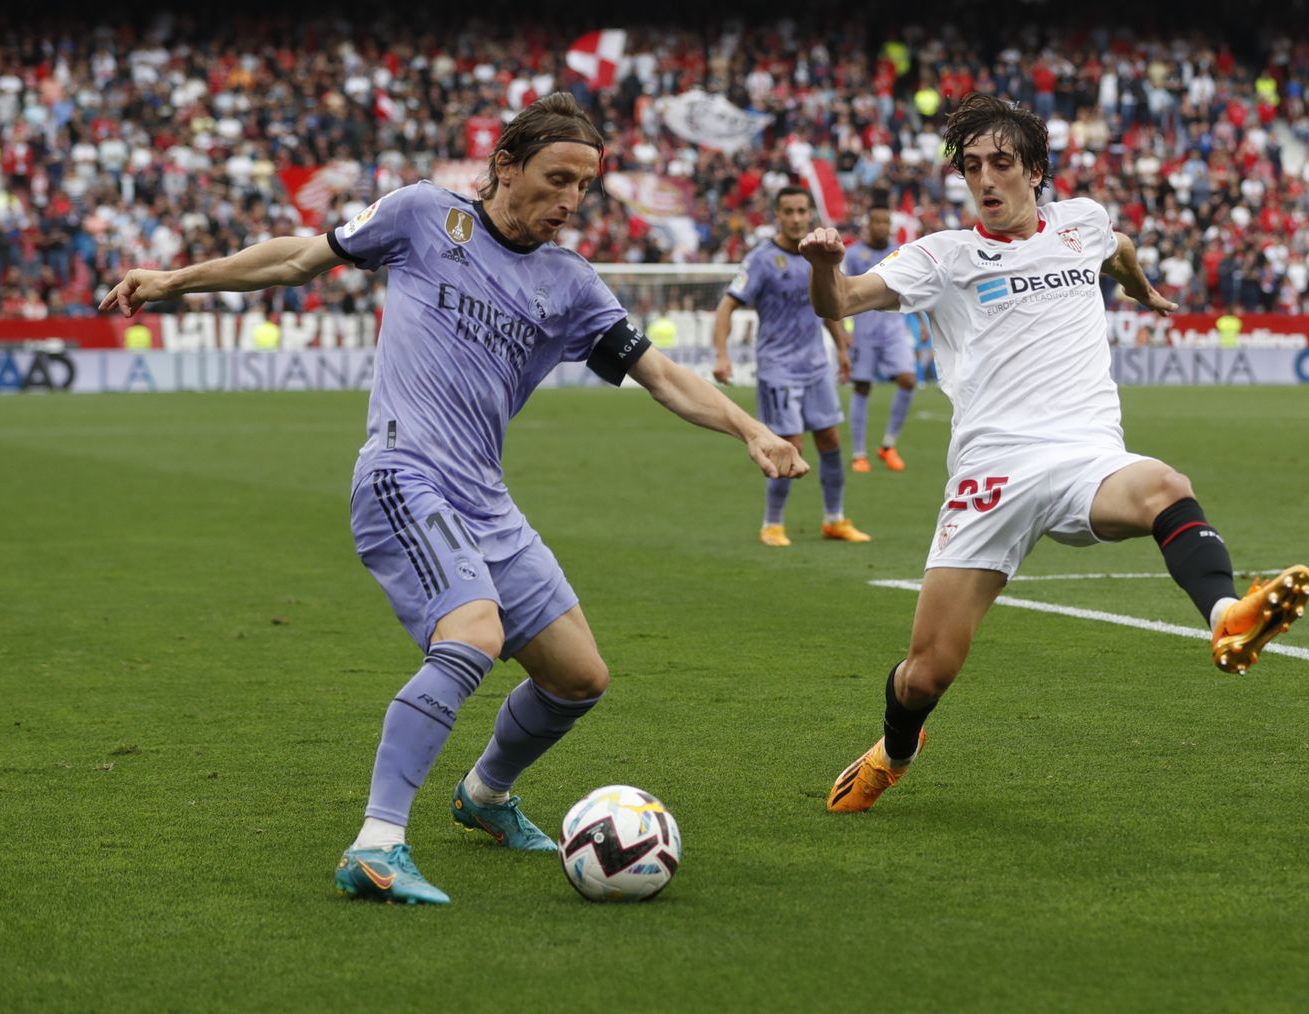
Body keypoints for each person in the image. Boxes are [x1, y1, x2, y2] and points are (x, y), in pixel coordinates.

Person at [99, 93, 808, 903]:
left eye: (585, 185)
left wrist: (749, 429)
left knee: (578, 677)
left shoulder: (573, 284)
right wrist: (172, 281)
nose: (572, 201)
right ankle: (376, 843)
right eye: (557, 178)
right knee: (472, 632)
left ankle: (483, 797)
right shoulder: (422, 217)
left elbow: (663, 375)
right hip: (404, 473)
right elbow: (298, 259)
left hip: (485, 499)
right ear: (506, 165)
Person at [798, 94, 1309, 814]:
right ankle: (894, 751)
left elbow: (1117, 250)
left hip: (1085, 456)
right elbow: (842, 301)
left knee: (1165, 484)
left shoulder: (1082, 222)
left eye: (1001, 164)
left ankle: (1227, 614)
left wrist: (1143, 291)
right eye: (972, 167)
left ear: (1035, 170)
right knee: (927, 673)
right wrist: (824, 266)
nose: (985, 180)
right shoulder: (943, 257)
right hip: (992, 472)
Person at [712, 186, 871, 548]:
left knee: (830, 439)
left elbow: (830, 303)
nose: (797, 218)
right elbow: (726, 307)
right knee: (789, 445)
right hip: (778, 368)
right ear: (777, 216)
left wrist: (842, 349)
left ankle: (834, 519)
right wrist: (721, 355)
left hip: (815, 365)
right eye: (789, 211)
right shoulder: (761, 260)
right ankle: (773, 523)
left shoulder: (819, 256)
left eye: (802, 210)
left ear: (810, 213)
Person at [841, 200, 918, 473]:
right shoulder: (853, 255)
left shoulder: (899, 253)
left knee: (908, 379)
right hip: (863, 330)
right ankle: (859, 454)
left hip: (893, 328)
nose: (882, 227)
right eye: (877, 222)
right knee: (862, 387)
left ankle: (888, 445)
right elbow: (840, 293)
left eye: (886, 222)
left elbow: (912, 287)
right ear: (867, 225)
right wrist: (843, 332)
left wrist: (920, 317)